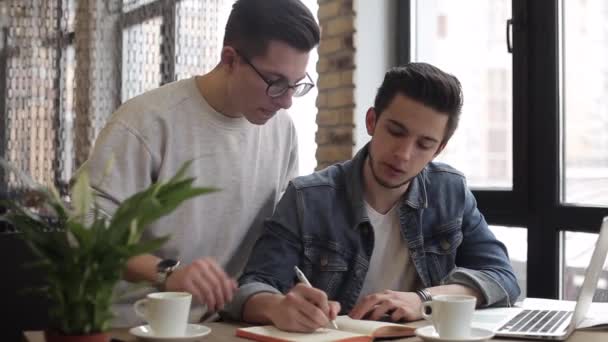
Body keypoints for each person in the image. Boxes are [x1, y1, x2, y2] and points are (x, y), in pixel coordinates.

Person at [223, 63, 521, 332]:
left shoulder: (450, 192)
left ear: (438, 150)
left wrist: (425, 300)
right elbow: (250, 289)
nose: (403, 155)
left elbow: (501, 277)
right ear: (371, 121)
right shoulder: (307, 199)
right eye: (395, 131)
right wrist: (278, 308)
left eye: (424, 144)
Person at [78, 0, 320, 326]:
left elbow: (276, 239)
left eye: (296, 85)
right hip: (133, 326)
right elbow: (85, 227)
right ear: (230, 59)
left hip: (225, 326)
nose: (287, 100)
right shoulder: (146, 122)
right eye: (275, 83)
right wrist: (166, 273)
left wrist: (284, 298)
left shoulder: (283, 131)